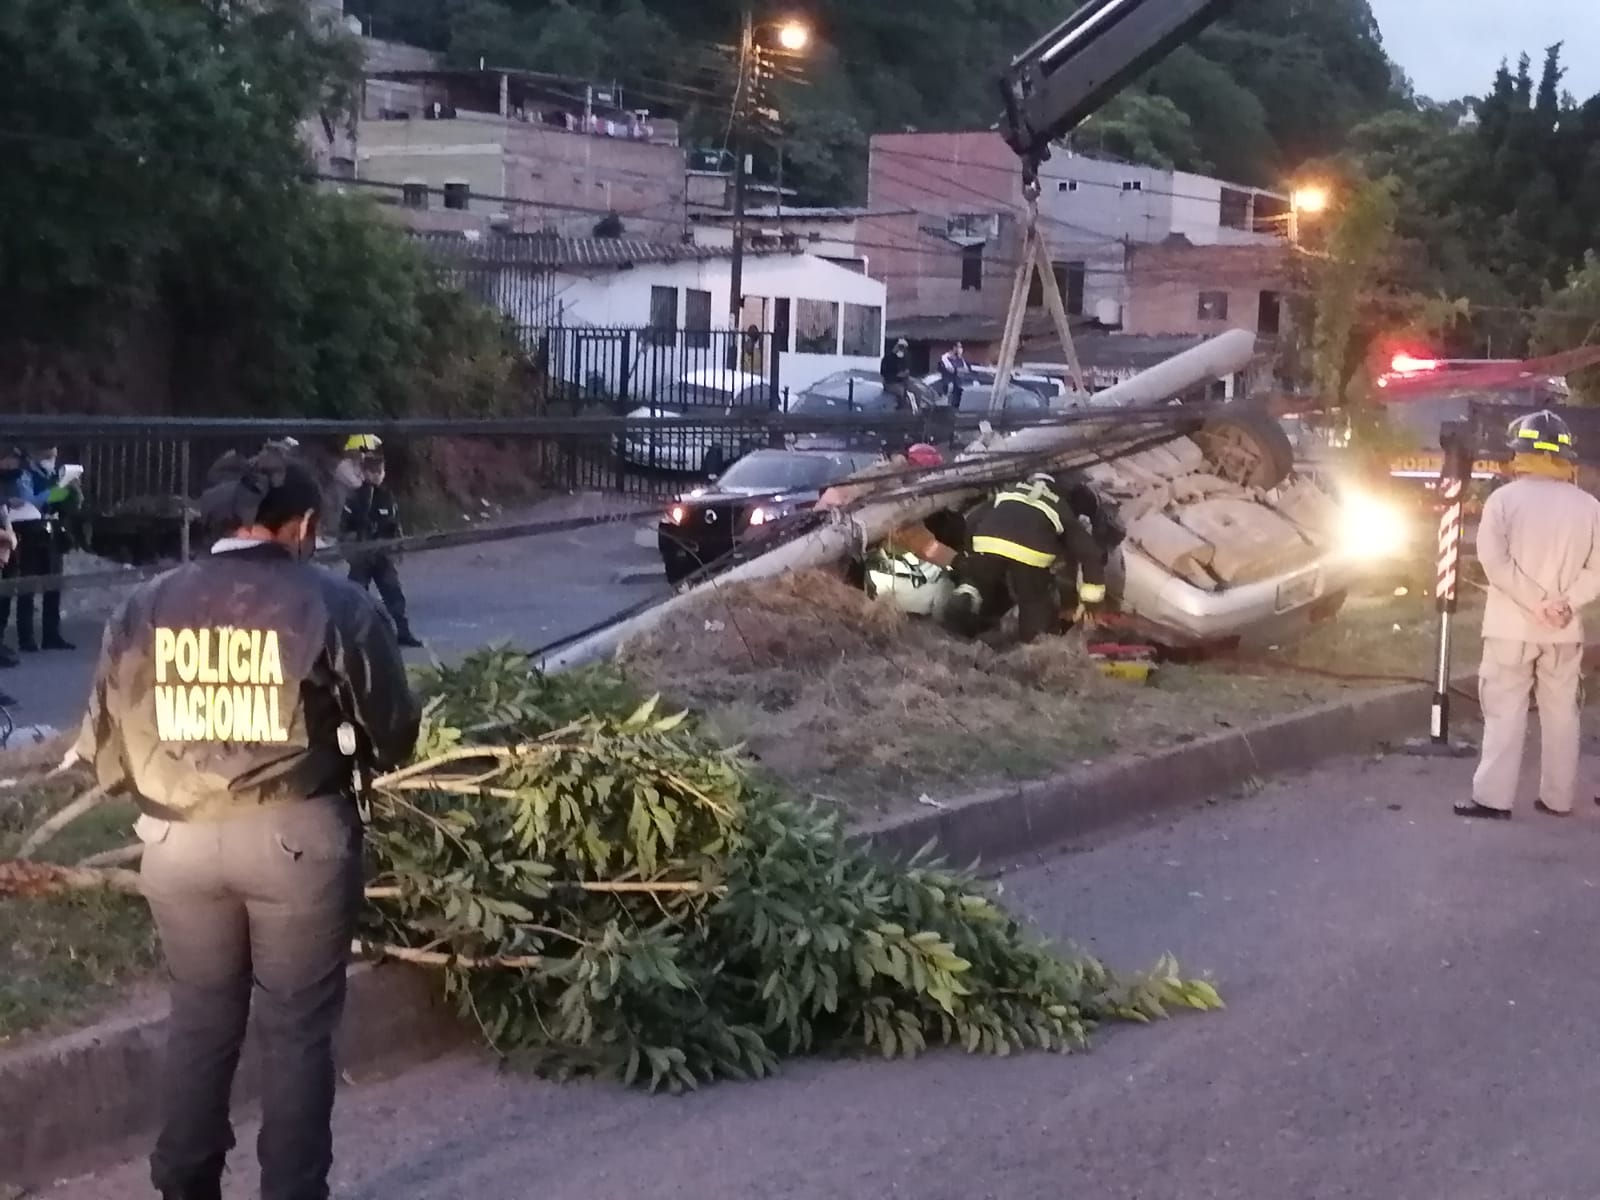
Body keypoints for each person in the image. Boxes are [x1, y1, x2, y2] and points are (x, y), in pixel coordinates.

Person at [70, 448, 419, 1200]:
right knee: (296, 1033)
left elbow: (106, 741)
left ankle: (183, 1186)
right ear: (299, 525)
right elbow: (393, 730)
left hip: (175, 844)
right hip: (297, 843)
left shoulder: (145, 605)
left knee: (200, 1020)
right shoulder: (336, 603)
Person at [1457, 410, 1600, 821]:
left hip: (1510, 628)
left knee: (1504, 711)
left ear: (1519, 452)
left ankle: (1493, 799)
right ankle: (1558, 799)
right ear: (1565, 457)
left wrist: (1532, 602)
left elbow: (1493, 561)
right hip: (1564, 630)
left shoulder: (1503, 500)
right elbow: (1596, 569)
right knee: (1561, 714)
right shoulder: (1588, 506)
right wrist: (1565, 603)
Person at [947, 471, 1115, 643]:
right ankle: (1033, 646)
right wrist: (1092, 602)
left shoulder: (1009, 492)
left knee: (976, 583)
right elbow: (1090, 553)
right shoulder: (1060, 504)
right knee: (1034, 601)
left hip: (988, 540)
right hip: (1031, 553)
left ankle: (960, 611)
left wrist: (971, 554)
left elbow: (973, 519)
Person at [340, 451, 422, 648]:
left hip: (382, 554)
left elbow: (394, 523)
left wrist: (398, 546)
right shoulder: (355, 498)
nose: (377, 475)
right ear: (364, 472)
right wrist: (354, 547)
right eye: (372, 471)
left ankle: (403, 632)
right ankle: (353, 637)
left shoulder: (387, 496)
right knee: (356, 596)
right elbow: (344, 529)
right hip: (362, 555)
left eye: (380, 470)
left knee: (393, 594)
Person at [0, 443, 75, 652]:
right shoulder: (25, 475)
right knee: (27, 585)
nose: (52, 458)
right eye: (48, 454)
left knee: (53, 584)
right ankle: (27, 638)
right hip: (28, 531)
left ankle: (51, 634)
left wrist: (68, 492)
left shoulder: (52, 475)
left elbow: (70, 504)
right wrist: (54, 493)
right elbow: (31, 501)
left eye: (54, 454)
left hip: (50, 531)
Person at [939, 342, 971, 409]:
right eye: (959, 347)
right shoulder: (945, 358)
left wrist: (958, 369)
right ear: (954, 348)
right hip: (949, 389)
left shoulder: (960, 359)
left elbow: (966, 370)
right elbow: (951, 370)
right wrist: (958, 370)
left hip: (958, 388)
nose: (961, 349)